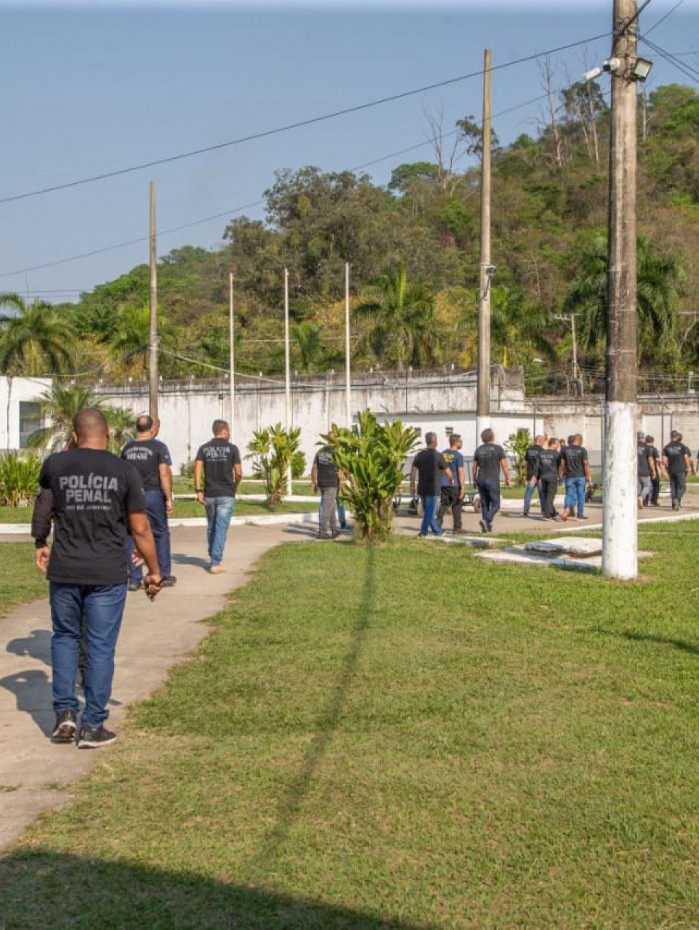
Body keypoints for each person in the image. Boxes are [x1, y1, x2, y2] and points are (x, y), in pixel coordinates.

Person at [33, 408, 161, 749]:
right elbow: (140, 527)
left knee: (64, 638)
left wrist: (40, 541)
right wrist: (155, 570)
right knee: (101, 646)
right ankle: (92, 725)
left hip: (65, 569)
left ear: (75, 436)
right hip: (107, 572)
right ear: (108, 436)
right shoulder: (124, 471)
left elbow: (43, 505)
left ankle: (64, 715)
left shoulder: (55, 466)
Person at [121, 414, 176, 590]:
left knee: (131, 534)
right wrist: (168, 497)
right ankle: (163, 573)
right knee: (160, 532)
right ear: (152, 428)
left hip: (131, 494)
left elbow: (121, 473)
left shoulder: (127, 448)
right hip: (152, 494)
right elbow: (164, 473)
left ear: (136, 428)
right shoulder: (159, 447)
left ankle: (134, 578)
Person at [194, 420, 242, 572]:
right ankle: (215, 562)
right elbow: (239, 472)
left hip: (210, 493)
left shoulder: (204, 448)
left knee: (212, 525)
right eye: (228, 430)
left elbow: (197, 469)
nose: (230, 433)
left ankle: (212, 552)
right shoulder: (232, 448)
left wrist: (199, 490)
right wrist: (236, 486)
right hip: (226, 493)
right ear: (222, 430)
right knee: (221, 526)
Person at [410, 432, 452, 537]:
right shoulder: (438, 456)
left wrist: (412, 486)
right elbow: (448, 471)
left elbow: (413, 471)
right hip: (433, 489)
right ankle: (423, 532)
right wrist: (451, 479)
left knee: (428, 512)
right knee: (430, 512)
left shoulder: (419, 455)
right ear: (435, 441)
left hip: (422, 488)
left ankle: (437, 531)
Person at [472, 428, 510, 533]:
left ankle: (486, 528)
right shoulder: (498, 448)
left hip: (481, 479)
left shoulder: (478, 449)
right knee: (496, 504)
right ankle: (486, 520)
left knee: (484, 504)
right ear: (492, 437)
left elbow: (474, 466)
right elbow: (504, 465)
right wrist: (507, 478)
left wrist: (474, 480)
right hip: (492, 479)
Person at [437, 433, 466, 533]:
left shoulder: (442, 454)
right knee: (456, 506)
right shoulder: (458, 456)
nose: (462, 443)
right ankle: (457, 528)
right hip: (455, 484)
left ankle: (437, 525)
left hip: (443, 484)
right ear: (456, 442)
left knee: (443, 505)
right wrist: (462, 487)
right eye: (460, 441)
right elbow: (460, 472)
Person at [312, 444, 341, 539]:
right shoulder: (335, 453)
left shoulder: (320, 452)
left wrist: (315, 482)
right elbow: (339, 470)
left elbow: (314, 467)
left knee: (331, 506)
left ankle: (334, 529)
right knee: (326, 508)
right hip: (331, 483)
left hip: (322, 483)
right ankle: (322, 531)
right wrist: (341, 482)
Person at [560, 433, 592, 521]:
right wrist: (589, 477)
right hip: (580, 476)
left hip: (569, 476)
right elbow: (585, 464)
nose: (582, 442)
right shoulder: (582, 450)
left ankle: (566, 509)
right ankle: (580, 514)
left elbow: (562, 464)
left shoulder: (565, 450)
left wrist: (562, 474)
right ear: (578, 440)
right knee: (581, 495)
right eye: (581, 440)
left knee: (569, 494)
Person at [662, 430, 692, 510]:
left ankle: (673, 505)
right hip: (680, 469)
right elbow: (686, 457)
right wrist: (688, 467)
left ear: (670, 436)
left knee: (673, 487)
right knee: (682, 486)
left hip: (671, 470)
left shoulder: (667, 447)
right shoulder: (682, 446)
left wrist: (665, 469)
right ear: (677, 436)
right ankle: (677, 499)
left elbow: (664, 460)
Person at [537, 438, 562, 521]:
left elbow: (538, 466)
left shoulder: (542, 453)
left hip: (543, 477)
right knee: (550, 496)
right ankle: (547, 515)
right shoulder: (557, 454)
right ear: (552, 444)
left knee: (548, 496)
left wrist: (537, 477)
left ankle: (553, 513)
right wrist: (560, 477)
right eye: (557, 444)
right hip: (552, 477)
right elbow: (560, 466)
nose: (558, 446)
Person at [522, 435, 545, 517]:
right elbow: (543, 464)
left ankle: (526, 510)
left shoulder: (529, 449)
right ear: (539, 440)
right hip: (539, 476)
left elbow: (526, 463)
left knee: (528, 493)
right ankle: (543, 510)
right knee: (542, 493)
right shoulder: (542, 450)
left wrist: (526, 473)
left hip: (530, 475)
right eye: (543, 441)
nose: (543, 442)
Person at [636, 430, 655, 509]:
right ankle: (641, 497)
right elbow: (650, 460)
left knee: (639, 487)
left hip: (635, 470)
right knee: (648, 486)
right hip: (644, 470)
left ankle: (636, 502)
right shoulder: (647, 447)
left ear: (637, 437)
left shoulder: (633, 446)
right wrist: (653, 471)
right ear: (643, 437)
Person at [645, 435, 661, 506]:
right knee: (656, 486)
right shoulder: (653, 449)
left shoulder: (642, 448)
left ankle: (644, 501)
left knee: (645, 486)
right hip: (652, 470)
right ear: (652, 441)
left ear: (646, 440)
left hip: (643, 470)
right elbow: (657, 460)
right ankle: (654, 501)